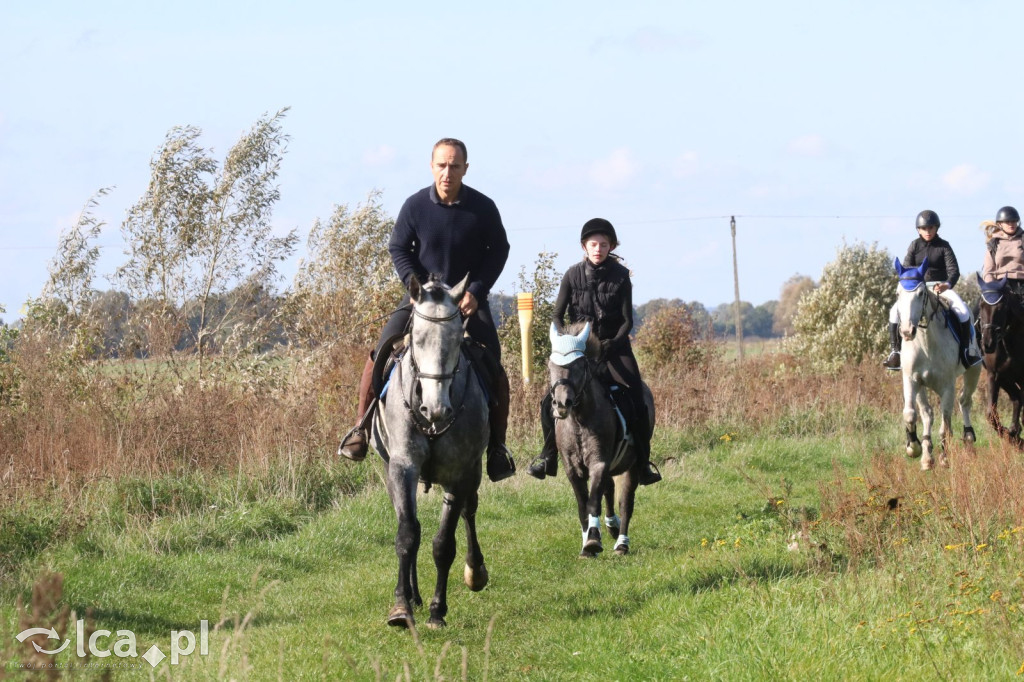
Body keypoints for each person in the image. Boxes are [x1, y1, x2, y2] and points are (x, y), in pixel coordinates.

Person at [337, 138, 516, 482]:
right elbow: (398, 247)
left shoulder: (484, 207)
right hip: (421, 301)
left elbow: (499, 250)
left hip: (466, 302)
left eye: (454, 166)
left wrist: (477, 291)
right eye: (441, 165)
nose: (447, 172)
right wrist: (415, 287)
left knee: (494, 363)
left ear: (465, 168)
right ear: (431, 166)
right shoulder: (415, 206)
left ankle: (497, 448)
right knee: (381, 351)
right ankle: (360, 428)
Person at [527, 218, 661, 486]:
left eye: (603, 244)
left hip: (615, 349)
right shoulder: (571, 275)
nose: (598, 248)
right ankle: (547, 456)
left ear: (611, 246)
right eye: (593, 244)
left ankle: (643, 462)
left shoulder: (621, 277)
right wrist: (563, 338)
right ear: (584, 246)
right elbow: (556, 315)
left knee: (636, 394)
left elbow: (627, 321)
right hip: (579, 351)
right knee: (548, 400)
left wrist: (613, 342)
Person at [883, 209, 981, 370]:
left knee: (963, 311)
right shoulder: (914, 245)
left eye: (931, 228)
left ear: (936, 228)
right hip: (918, 288)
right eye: (924, 229)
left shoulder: (944, 246)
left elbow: (954, 271)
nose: (927, 232)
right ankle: (895, 352)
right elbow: (907, 269)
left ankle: (966, 350)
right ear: (918, 230)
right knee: (894, 312)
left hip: (940, 287)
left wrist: (947, 285)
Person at [982, 206, 1024, 294]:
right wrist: (991, 287)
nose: (1011, 224)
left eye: (1013, 221)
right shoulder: (993, 243)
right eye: (1007, 221)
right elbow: (988, 270)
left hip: (1022, 283)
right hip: (1000, 285)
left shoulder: (1022, 239)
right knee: (979, 306)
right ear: (1000, 224)